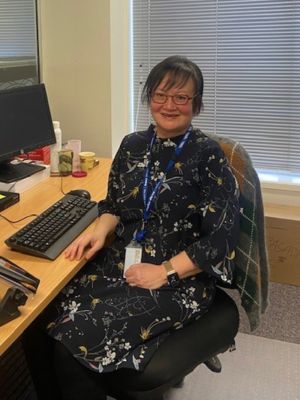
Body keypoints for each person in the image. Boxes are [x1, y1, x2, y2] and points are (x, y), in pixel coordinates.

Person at [23, 55, 240, 400]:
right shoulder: (132, 146)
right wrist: (96, 230)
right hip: (121, 265)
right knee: (36, 318)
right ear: (148, 97)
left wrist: (164, 272)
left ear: (195, 104)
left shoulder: (208, 156)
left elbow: (222, 239)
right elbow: (116, 206)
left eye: (181, 97)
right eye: (160, 95)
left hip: (178, 278)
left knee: (72, 342)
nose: (169, 105)